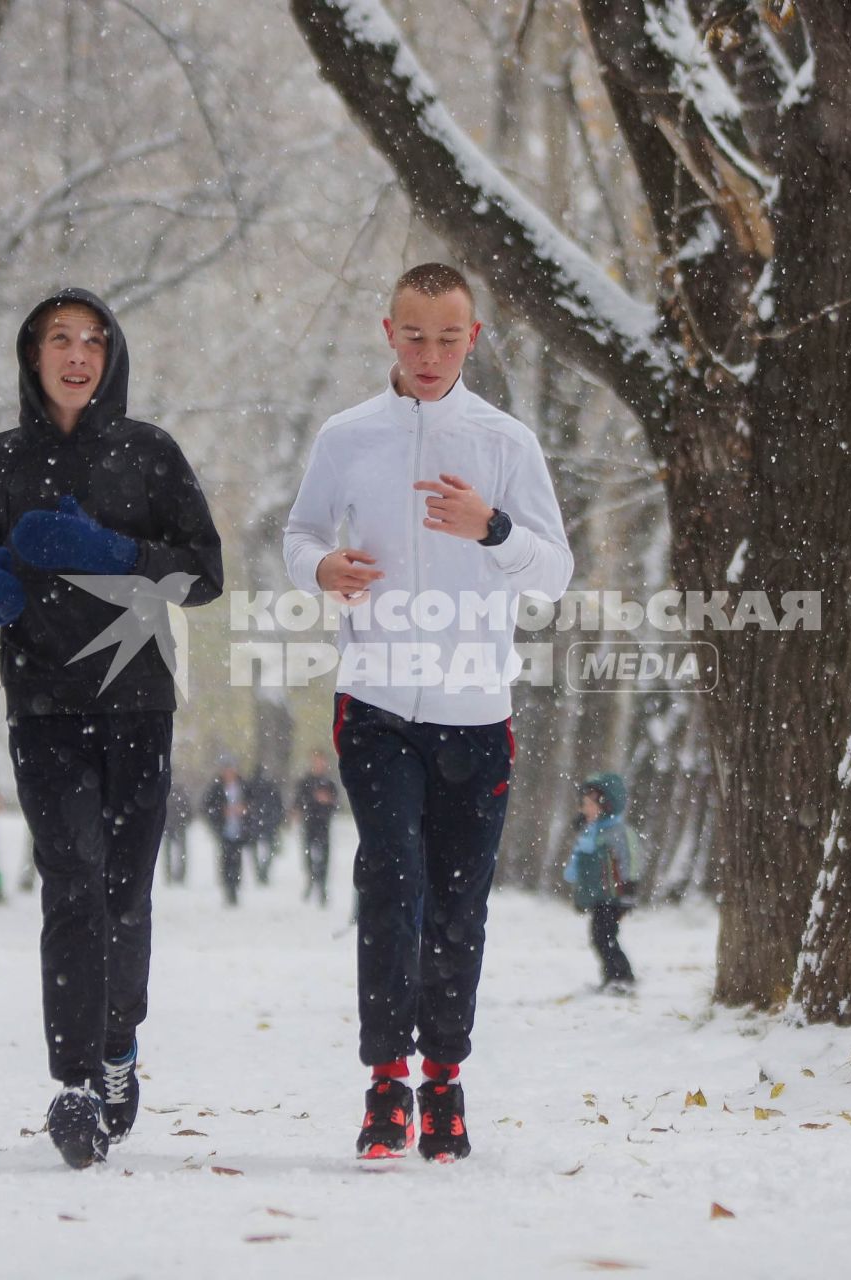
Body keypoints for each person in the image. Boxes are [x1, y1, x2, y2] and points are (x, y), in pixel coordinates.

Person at [283, 263, 573, 1161]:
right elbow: (298, 535)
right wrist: (321, 571)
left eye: (449, 336)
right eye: (414, 335)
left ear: (474, 337)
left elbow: (555, 576)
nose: (430, 353)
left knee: (457, 902)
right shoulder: (347, 437)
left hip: (477, 712)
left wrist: (492, 528)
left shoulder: (504, 443)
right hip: (374, 705)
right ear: (388, 333)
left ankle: (444, 1080)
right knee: (392, 882)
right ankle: (384, 1085)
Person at [0, 287, 223, 1169]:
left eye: (93, 340)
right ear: (32, 355)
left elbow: (206, 572)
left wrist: (121, 554)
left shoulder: (152, 454)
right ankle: (72, 1080)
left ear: (111, 355)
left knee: (123, 893)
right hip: (44, 708)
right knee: (71, 880)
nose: (78, 355)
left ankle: (116, 1049)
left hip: (136, 704)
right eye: (60, 339)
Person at [565, 774, 640, 991]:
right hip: (599, 896)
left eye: (589, 805)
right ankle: (612, 977)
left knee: (604, 936)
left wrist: (629, 890)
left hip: (615, 896)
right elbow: (582, 865)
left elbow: (630, 860)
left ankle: (622, 977)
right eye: (583, 805)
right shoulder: (591, 833)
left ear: (606, 806)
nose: (584, 809)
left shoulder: (617, 832)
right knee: (600, 937)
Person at [293, 749, 340, 907]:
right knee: (308, 856)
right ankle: (311, 880)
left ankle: (322, 887)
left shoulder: (329, 783)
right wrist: (311, 802)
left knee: (324, 857)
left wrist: (328, 802)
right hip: (309, 824)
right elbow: (298, 801)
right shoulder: (305, 781)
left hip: (324, 825)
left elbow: (336, 804)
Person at [202, 759, 252, 907]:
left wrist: (244, 810)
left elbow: (253, 804)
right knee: (226, 860)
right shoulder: (216, 788)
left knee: (237, 860)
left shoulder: (243, 786)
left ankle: (235, 887)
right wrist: (221, 812)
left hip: (239, 830)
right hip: (224, 831)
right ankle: (228, 888)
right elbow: (207, 807)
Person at [247, 765, 285, 886]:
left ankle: (260, 871)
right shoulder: (271, 786)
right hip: (268, 821)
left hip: (257, 821)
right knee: (268, 849)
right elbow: (279, 804)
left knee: (257, 849)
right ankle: (263, 871)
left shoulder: (250, 786)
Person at [161, 780, 193, 885]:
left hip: (174, 826)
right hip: (174, 826)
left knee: (174, 852)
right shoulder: (180, 793)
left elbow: (188, 811)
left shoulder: (167, 794)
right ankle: (175, 874)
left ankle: (173, 874)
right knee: (177, 852)